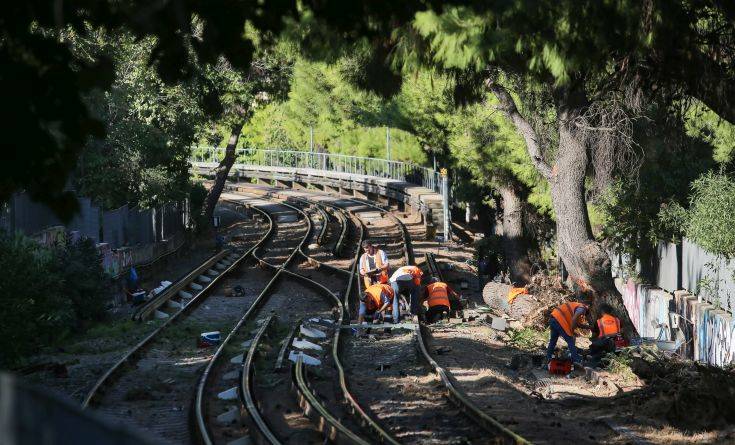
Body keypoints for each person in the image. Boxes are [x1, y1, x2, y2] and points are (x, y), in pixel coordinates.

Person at [545, 301, 590, 367]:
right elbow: (574, 319)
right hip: (559, 320)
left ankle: (548, 358)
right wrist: (572, 331)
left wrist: (588, 327)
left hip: (553, 318)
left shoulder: (577, 306)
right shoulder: (582, 308)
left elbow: (578, 324)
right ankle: (576, 360)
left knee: (553, 341)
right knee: (570, 340)